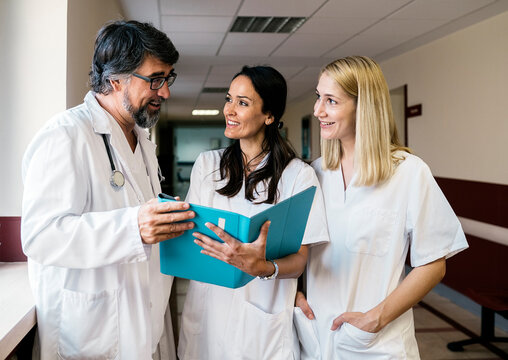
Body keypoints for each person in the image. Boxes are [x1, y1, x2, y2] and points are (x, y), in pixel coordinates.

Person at [21, 20, 195, 360]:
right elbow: (40, 236)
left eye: (167, 78)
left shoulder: (142, 140)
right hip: (89, 334)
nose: (165, 92)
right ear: (115, 79)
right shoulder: (66, 135)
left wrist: (163, 217)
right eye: (155, 79)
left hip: (140, 327)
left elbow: (136, 212)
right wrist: (133, 227)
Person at [294, 55, 469, 359]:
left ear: (364, 107)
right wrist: (293, 294)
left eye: (331, 100)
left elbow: (433, 263)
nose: (318, 110)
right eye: (318, 97)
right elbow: (298, 248)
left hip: (376, 343)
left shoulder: (409, 172)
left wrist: (376, 318)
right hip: (317, 337)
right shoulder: (315, 173)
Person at [177, 65, 330, 359]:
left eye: (243, 103)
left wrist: (262, 267)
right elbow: (192, 237)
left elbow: (299, 260)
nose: (229, 110)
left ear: (269, 116)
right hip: (207, 311)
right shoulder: (208, 165)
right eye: (229, 98)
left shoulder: (298, 176)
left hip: (263, 316)